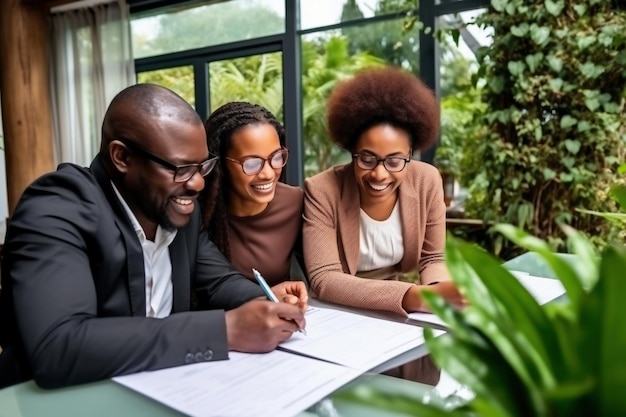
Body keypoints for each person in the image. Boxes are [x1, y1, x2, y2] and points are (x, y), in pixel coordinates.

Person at [0, 84, 307, 389]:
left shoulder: (180, 209)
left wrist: (265, 298)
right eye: (182, 168)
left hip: (165, 388)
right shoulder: (56, 208)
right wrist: (224, 330)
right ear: (122, 157)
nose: (198, 183)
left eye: (201, 166)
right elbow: (59, 348)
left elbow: (219, 281)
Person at [302, 66, 465, 384]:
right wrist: (414, 297)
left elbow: (432, 258)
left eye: (394, 161)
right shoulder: (322, 189)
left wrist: (435, 295)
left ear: (411, 153)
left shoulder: (426, 180)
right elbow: (324, 280)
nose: (380, 174)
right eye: (367, 158)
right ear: (351, 150)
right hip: (339, 320)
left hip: (400, 322)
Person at [200, 102, 304, 287]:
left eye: (276, 157)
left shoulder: (296, 204)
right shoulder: (201, 212)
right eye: (251, 163)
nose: (268, 174)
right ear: (220, 163)